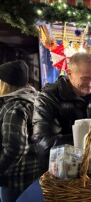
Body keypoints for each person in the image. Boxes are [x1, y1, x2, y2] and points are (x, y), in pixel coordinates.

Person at [32, 52, 91, 175]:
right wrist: (90, 141)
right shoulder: (48, 97)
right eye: (85, 78)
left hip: (90, 173)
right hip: (59, 174)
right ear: (69, 74)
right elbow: (43, 143)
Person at [0, 60, 39, 202]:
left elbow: (16, 147)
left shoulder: (14, 107)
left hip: (15, 179)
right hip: (32, 174)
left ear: (4, 83)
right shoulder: (34, 100)